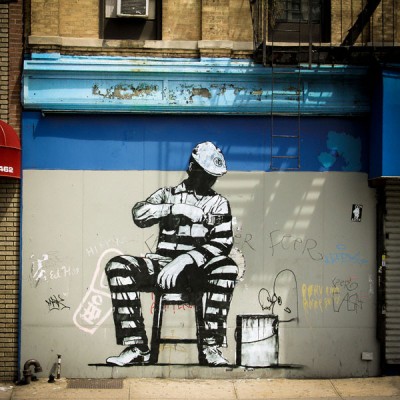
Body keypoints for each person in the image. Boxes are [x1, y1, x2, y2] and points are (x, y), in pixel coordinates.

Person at [105, 142, 238, 367]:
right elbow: (139, 214)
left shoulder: (219, 204)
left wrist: (185, 259)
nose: (209, 181)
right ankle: (137, 346)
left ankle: (211, 347)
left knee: (227, 267)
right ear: (192, 168)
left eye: (213, 177)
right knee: (117, 266)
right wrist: (175, 208)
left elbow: (222, 243)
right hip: (162, 268)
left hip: (197, 272)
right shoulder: (167, 195)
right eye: (205, 175)